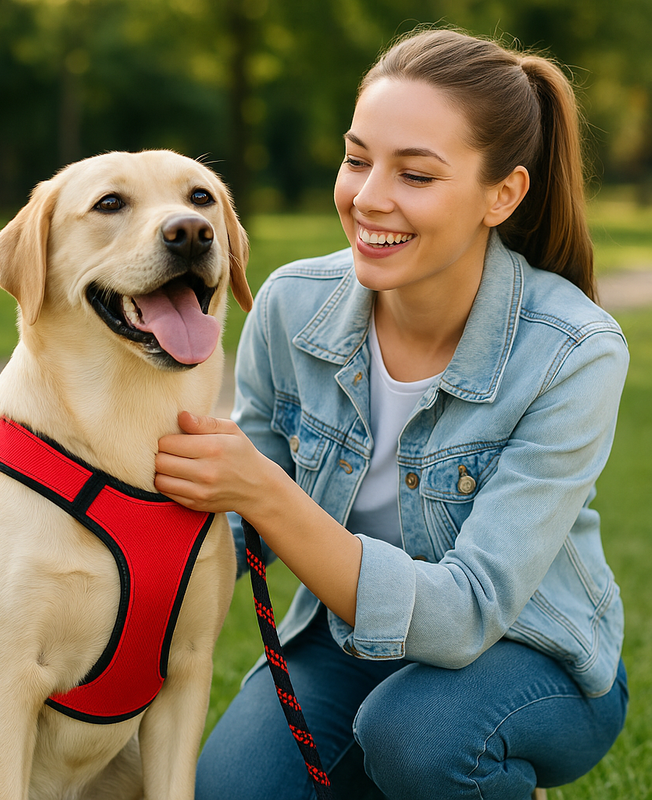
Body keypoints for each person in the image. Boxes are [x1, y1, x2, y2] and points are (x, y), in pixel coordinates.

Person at [154, 27, 629, 800]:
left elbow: (468, 612)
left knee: (418, 738)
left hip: (529, 653)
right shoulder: (291, 304)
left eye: (415, 174)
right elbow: (232, 528)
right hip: (347, 643)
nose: (369, 196)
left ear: (502, 195)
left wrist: (262, 494)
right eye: (356, 158)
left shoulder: (574, 351)